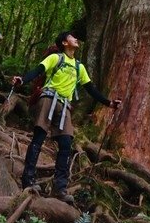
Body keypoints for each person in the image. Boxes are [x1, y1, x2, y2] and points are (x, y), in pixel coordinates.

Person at [12, 31, 121, 204]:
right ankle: (28, 180)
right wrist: (22, 80)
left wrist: (108, 103)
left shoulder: (79, 67)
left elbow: (90, 88)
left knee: (66, 144)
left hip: (64, 106)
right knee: (38, 138)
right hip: (48, 98)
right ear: (64, 42)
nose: (76, 39)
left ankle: (59, 188)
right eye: (72, 37)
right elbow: (38, 70)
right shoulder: (56, 58)